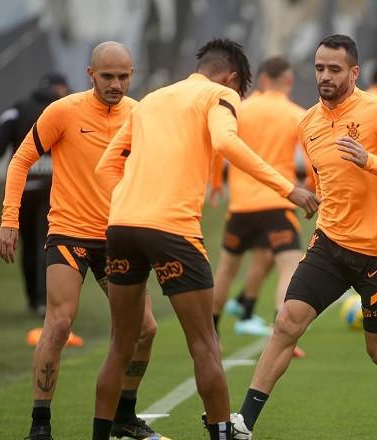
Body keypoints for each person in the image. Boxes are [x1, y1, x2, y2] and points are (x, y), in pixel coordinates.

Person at [91, 38, 318, 440]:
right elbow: (227, 142)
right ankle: (220, 434)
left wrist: (128, 204)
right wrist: (290, 189)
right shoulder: (220, 94)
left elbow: (106, 165)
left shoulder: (151, 100)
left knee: (119, 343)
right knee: (205, 345)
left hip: (122, 227)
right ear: (232, 78)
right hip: (172, 229)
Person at [229, 34, 377, 440]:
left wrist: (371, 161)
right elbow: (320, 176)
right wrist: (312, 196)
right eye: (319, 67)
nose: (325, 75)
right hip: (331, 242)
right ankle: (243, 424)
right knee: (287, 321)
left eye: (334, 69)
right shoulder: (306, 123)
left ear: (354, 72)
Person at [0, 42, 162, 440]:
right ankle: (40, 426)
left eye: (123, 77)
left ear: (132, 75)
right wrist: (9, 220)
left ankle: (124, 416)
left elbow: (152, 173)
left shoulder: (140, 115)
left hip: (119, 238)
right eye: (107, 77)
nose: (116, 84)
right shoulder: (63, 111)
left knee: (146, 329)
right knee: (59, 323)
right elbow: (20, 159)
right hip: (69, 234)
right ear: (91, 75)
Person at [209, 56, 308, 355]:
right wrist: (315, 190)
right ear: (288, 81)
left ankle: (210, 333)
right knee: (289, 267)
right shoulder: (297, 114)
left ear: (262, 80)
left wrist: (216, 182)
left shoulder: (241, 109)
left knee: (226, 269)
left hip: (241, 205)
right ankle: (283, 335)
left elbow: (219, 143)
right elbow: (314, 157)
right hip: (278, 203)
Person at [0, 73, 68, 315]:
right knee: (48, 244)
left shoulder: (17, 110)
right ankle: (47, 301)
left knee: (29, 245)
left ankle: (34, 300)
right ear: (60, 88)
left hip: (25, 189)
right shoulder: (65, 108)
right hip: (54, 189)